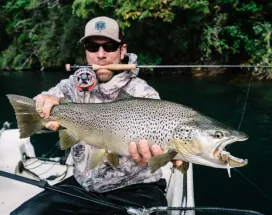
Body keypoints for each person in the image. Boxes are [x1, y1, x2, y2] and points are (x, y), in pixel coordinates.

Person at [11, 16, 182, 215]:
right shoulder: (73, 86)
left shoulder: (144, 94)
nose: (100, 55)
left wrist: (173, 153)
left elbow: (165, 139)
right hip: (81, 185)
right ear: (86, 50)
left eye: (109, 46)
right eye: (92, 46)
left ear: (122, 50)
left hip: (136, 188)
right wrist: (43, 103)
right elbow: (45, 102)